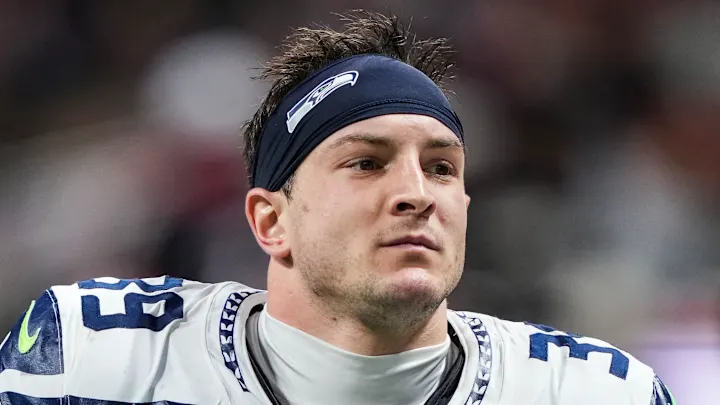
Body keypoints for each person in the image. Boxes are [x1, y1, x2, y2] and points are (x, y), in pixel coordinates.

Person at [0, 10, 675, 405]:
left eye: (441, 167)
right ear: (272, 221)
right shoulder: (98, 357)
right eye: (366, 162)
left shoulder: (591, 391)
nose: (417, 193)